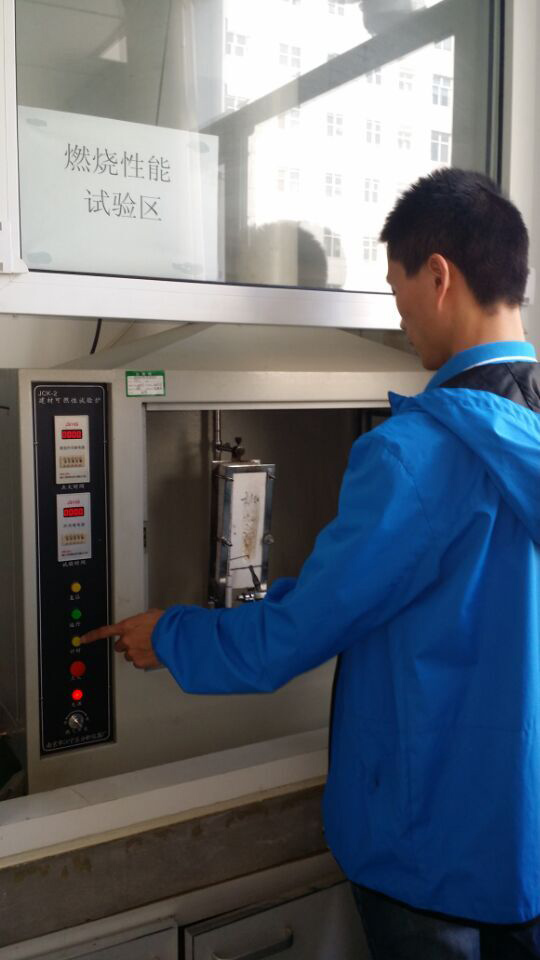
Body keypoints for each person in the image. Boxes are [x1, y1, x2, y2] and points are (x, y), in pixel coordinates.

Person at [82, 168, 540, 959]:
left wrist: (172, 637)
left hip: (431, 855)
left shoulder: (415, 455)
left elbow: (295, 634)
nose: (400, 320)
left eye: (397, 293)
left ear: (439, 277)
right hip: (523, 844)